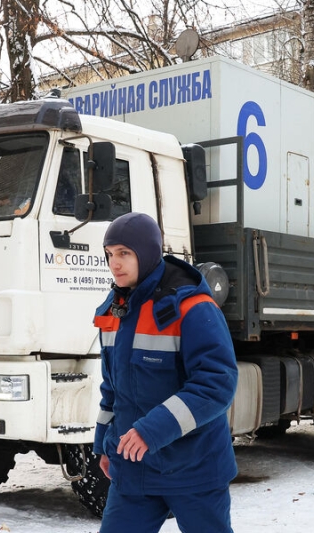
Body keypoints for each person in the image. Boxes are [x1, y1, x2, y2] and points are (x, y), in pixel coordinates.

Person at [93, 212, 239, 533]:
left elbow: (216, 384)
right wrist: (105, 442)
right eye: (109, 254)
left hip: (194, 468)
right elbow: (113, 387)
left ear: (146, 254)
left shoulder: (193, 307)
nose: (114, 264)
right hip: (134, 469)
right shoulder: (112, 311)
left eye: (124, 253)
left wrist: (151, 431)